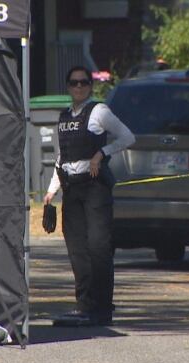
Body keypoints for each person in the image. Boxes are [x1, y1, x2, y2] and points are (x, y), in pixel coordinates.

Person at [44, 66, 135, 326]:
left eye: (84, 83)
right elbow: (62, 157)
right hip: (71, 188)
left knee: (98, 247)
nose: (79, 87)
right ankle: (84, 306)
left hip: (95, 187)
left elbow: (128, 137)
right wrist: (52, 190)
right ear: (68, 86)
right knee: (77, 250)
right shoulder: (63, 117)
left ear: (90, 86)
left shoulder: (99, 111)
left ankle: (102, 308)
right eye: (74, 83)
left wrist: (102, 153)